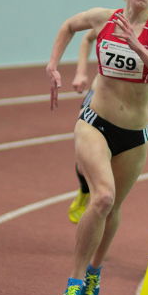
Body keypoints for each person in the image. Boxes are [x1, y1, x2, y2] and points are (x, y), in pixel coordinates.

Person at [46, 0, 148, 295]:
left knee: (114, 207)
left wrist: (140, 48)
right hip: (95, 122)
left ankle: (94, 270)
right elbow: (68, 27)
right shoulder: (104, 19)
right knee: (102, 198)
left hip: (134, 136)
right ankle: (74, 282)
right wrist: (55, 65)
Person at [68, 29, 97, 224]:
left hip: (129, 109)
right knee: (84, 158)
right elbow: (87, 37)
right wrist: (81, 72)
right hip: (97, 95)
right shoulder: (113, 20)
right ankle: (85, 190)